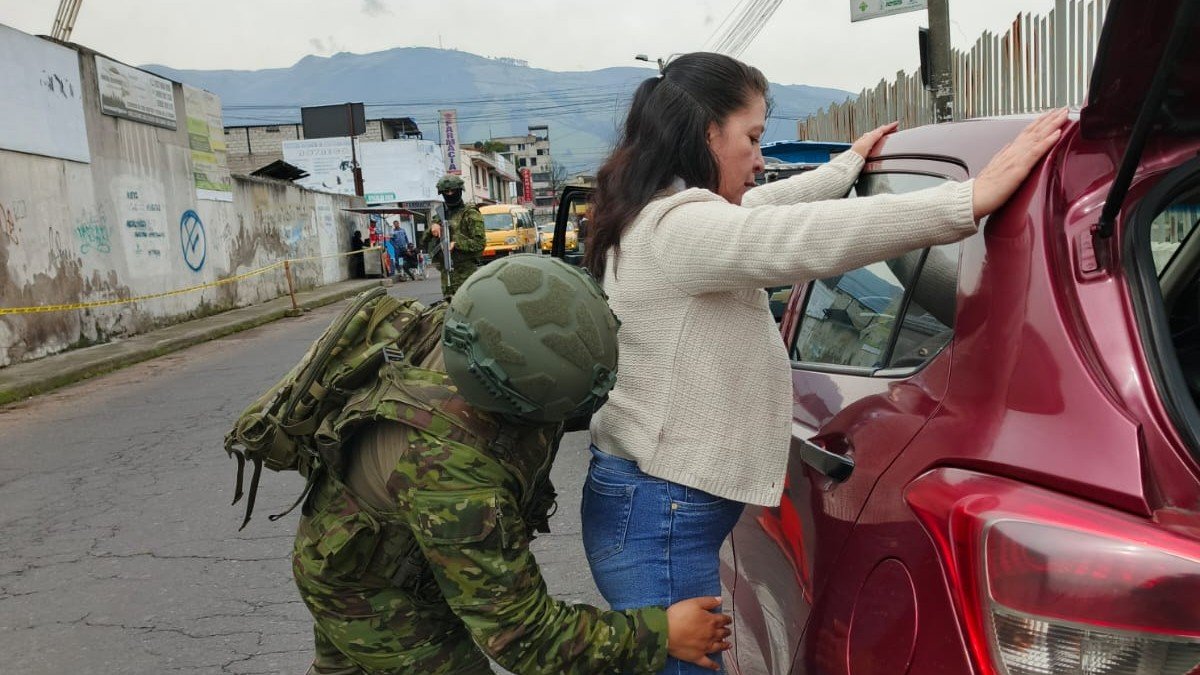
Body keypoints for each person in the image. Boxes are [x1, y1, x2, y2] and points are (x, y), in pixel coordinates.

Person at [579, 52, 1068, 675]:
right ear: (708, 133)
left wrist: (844, 168)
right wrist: (967, 201)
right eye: (752, 138)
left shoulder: (656, 214)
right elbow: (793, 236)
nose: (760, 158)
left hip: (654, 504)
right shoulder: (678, 229)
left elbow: (763, 211)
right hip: (661, 518)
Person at [293, 255, 732, 675]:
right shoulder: (453, 474)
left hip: (369, 541)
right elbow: (523, 635)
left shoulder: (490, 331)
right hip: (370, 588)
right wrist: (659, 635)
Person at [423, 174, 485, 297]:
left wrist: (456, 244)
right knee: (448, 304)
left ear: (460, 191)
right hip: (446, 273)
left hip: (465, 273)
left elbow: (480, 244)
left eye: (453, 191)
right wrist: (432, 228)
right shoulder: (440, 214)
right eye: (446, 192)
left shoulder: (470, 213)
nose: (450, 194)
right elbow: (424, 241)